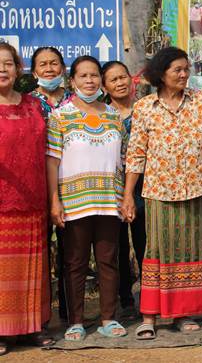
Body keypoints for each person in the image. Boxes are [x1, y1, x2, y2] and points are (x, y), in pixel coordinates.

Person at [124, 47, 202, 339]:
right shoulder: (145, 106)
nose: (184, 75)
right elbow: (136, 154)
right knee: (157, 251)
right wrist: (129, 195)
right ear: (161, 74)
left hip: (195, 190)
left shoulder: (198, 102)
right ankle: (150, 316)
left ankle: (183, 314)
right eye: (177, 70)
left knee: (190, 251)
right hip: (158, 192)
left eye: (186, 69)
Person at [46, 56, 128, 341]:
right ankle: (76, 321)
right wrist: (54, 201)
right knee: (75, 262)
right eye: (83, 76)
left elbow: (123, 158)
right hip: (74, 202)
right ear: (73, 81)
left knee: (108, 260)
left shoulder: (113, 116)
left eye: (94, 75)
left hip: (109, 201)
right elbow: (52, 162)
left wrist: (125, 197)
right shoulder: (59, 116)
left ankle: (108, 318)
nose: (90, 81)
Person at [0, 44, 52, 355]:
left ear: (19, 68)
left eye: (8, 63)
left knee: (33, 268)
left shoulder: (36, 106)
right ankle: (3, 331)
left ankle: (33, 326)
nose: (3, 69)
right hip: (2, 205)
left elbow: (49, 153)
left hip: (34, 200)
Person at [102, 61, 147, 320]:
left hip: (143, 186)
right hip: (111, 185)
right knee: (116, 244)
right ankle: (125, 300)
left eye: (123, 77)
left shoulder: (144, 110)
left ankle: (148, 298)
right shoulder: (103, 113)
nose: (119, 83)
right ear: (105, 86)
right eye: (113, 80)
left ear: (131, 80)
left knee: (145, 242)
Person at [30, 46, 71, 322]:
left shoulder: (76, 100)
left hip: (72, 183)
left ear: (63, 69)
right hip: (36, 184)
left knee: (71, 250)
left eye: (54, 63)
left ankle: (71, 313)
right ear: (34, 72)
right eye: (42, 65)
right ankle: (41, 316)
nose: (49, 69)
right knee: (40, 252)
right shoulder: (28, 103)